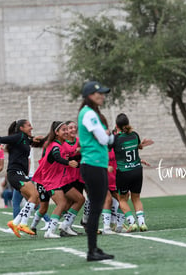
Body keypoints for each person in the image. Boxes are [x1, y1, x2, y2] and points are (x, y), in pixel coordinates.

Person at [78, 80, 115, 261]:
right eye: (99, 93)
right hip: (93, 164)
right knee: (95, 207)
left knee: (97, 207)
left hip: (95, 165)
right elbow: (102, 139)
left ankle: (94, 248)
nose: (102, 96)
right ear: (90, 96)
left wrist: (108, 136)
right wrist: (110, 136)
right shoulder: (89, 114)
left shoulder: (89, 113)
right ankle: (91, 250)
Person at [0, 119, 43, 238]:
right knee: (34, 195)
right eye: (29, 126)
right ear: (21, 128)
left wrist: (37, 139)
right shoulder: (18, 136)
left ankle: (15, 222)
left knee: (36, 201)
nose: (31, 127)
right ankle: (23, 223)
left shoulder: (25, 139)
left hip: (21, 174)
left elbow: (29, 142)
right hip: (15, 173)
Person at [110, 113, 153, 232]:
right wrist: (142, 144)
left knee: (122, 199)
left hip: (124, 172)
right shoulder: (134, 135)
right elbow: (138, 146)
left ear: (116, 125)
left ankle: (132, 223)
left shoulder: (115, 139)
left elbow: (107, 149)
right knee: (136, 198)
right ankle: (142, 223)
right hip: (137, 170)